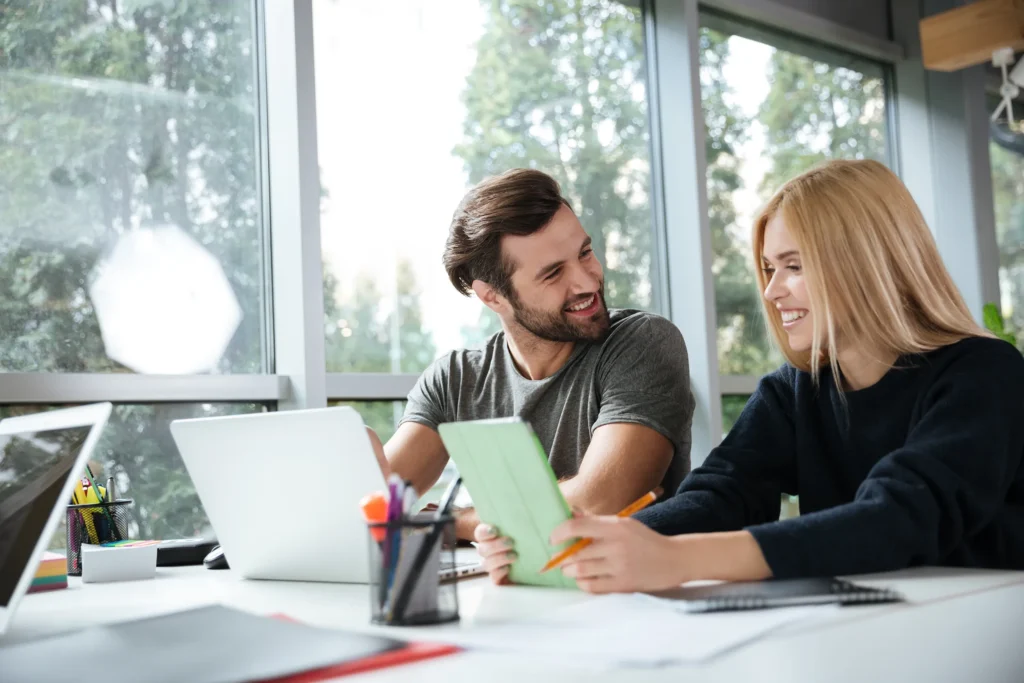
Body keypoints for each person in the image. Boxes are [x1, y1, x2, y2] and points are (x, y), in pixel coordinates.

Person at [477, 158, 1024, 590]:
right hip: (868, 625)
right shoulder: (794, 392)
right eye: (768, 269)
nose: (771, 291)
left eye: (793, 266)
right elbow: (721, 494)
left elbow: (895, 517)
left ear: (864, 263)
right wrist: (584, 544)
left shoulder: (985, 375)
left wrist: (674, 560)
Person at [369, 168, 695, 545]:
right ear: (493, 296)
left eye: (585, 253)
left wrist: (457, 522)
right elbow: (376, 507)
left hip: (629, 594)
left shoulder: (642, 343)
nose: (588, 282)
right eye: (554, 273)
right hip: (505, 593)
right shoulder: (455, 380)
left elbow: (600, 501)